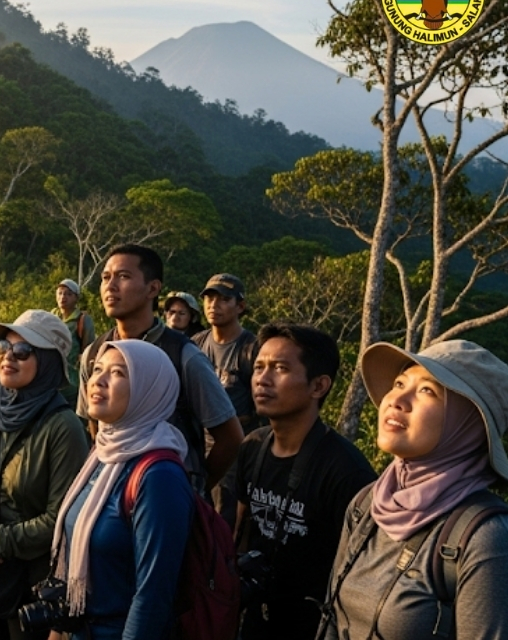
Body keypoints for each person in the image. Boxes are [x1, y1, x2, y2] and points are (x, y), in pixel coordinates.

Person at [319, 340, 508, 640]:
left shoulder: (483, 536)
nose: (396, 399)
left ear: (467, 422)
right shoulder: (367, 503)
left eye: (427, 391)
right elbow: (331, 620)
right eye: (399, 383)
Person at [0, 310, 90, 640]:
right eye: (2, 347)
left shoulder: (63, 427)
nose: (8, 357)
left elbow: (59, 518)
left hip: (32, 580)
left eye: (23, 351)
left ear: (49, 361)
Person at [233, 324, 375, 640]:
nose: (262, 379)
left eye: (280, 368)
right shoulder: (253, 447)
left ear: (318, 386)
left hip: (315, 627)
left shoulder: (347, 472)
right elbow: (241, 533)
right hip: (255, 619)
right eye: (259, 367)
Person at [48, 340, 196, 640]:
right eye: (97, 369)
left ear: (149, 389)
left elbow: (153, 595)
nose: (98, 381)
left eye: (117, 373)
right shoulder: (103, 454)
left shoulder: (159, 476)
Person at [78, 244, 242, 493]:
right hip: (111, 493)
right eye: (105, 277)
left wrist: (193, 490)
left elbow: (230, 438)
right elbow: (95, 426)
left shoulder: (183, 356)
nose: (110, 286)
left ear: (153, 288)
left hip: (166, 494)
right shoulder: (94, 354)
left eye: (123, 276)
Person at [193, 274, 260, 434]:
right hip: (201, 439)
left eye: (224, 299)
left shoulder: (252, 348)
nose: (213, 305)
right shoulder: (196, 344)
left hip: (242, 439)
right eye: (209, 298)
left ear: (240, 306)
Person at [51, 279, 96, 407]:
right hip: (51, 377)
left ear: (76, 298)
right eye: (60, 293)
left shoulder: (83, 320)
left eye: (68, 294)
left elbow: (89, 350)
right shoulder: (52, 316)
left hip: (72, 379)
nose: (63, 297)